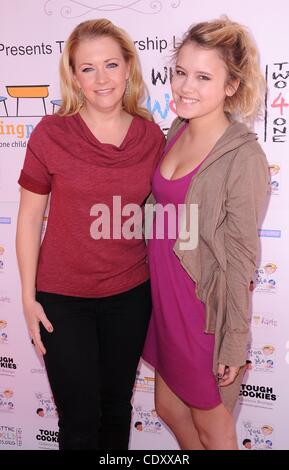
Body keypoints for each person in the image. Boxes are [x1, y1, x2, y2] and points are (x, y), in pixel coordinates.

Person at [16, 18, 165, 450]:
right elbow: (28, 219)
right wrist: (27, 299)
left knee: (117, 409)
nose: (102, 79)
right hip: (63, 299)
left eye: (111, 64)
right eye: (88, 68)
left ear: (129, 69)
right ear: (74, 77)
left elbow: (165, 214)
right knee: (79, 422)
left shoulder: (150, 136)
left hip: (130, 294)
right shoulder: (51, 133)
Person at [142, 17, 269, 450]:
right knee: (169, 409)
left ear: (231, 86)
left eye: (202, 77)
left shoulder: (243, 156)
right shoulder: (176, 131)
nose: (184, 86)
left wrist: (234, 344)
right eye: (180, 72)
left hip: (201, 311)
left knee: (215, 431)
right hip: (163, 301)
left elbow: (241, 258)